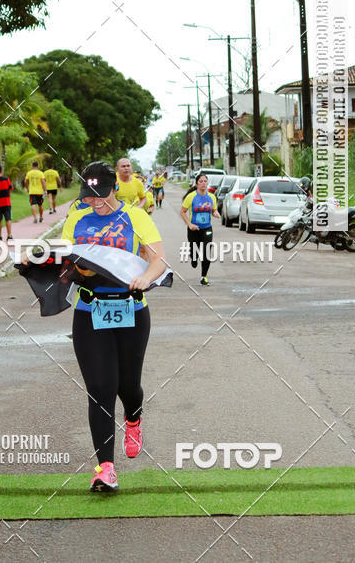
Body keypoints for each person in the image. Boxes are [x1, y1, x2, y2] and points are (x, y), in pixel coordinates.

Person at [62, 161, 167, 492]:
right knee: (100, 388)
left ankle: (133, 417)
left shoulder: (135, 217)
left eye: (102, 195)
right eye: (89, 196)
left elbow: (159, 260)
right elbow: (65, 261)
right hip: (89, 310)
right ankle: (105, 468)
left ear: (115, 189)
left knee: (127, 385)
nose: (95, 202)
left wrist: (145, 278)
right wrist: (78, 270)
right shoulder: (76, 219)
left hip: (131, 309)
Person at [180, 174, 220, 286]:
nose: (203, 183)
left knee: (207, 252)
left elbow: (213, 210)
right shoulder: (191, 197)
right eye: (201, 181)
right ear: (197, 183)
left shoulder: (211, 197)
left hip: (207, 228)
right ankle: (193, 258)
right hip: (193, 229)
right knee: (194, 251)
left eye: (205, 181)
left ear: (207, 183)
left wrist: (215, 213)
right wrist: (189, 224)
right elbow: (182, 212)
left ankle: (204, 276)